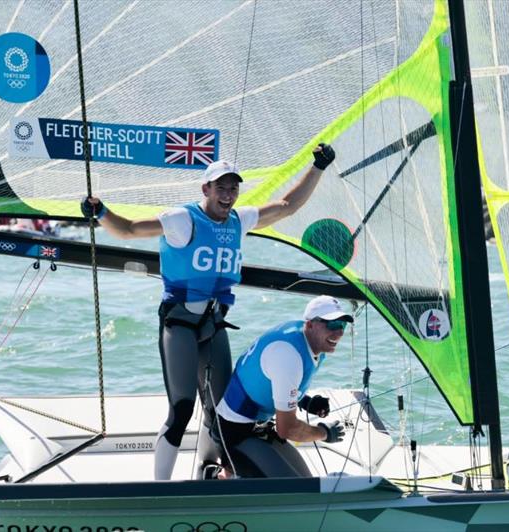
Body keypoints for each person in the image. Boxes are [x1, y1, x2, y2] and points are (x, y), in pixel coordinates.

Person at [81, 145, 336, 480]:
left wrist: (317, 166)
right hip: (180, 324)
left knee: (221, 411)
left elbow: (288, 206)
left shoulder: (239, 220)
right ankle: (161, 488)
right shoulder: (182, 219)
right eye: (221, 188)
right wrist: (100, 212)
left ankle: (218, 473)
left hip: (214, 326)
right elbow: (129, 229)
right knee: (182, 407)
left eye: (233, 188)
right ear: (206, 189)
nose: (228, 195)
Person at [211, 295, 351, 478]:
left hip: (258, 427)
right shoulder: (288, 355)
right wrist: (324, 433)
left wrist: (305, 401)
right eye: (331, 325)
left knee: (306, 482)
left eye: (342, 325)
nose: (339, 333)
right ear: (310, 324)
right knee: (298, 493)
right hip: (234, 435)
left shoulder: (310, 341)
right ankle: (224, 475)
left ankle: (230, 474)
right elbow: (287, 429)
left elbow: (271, 382)